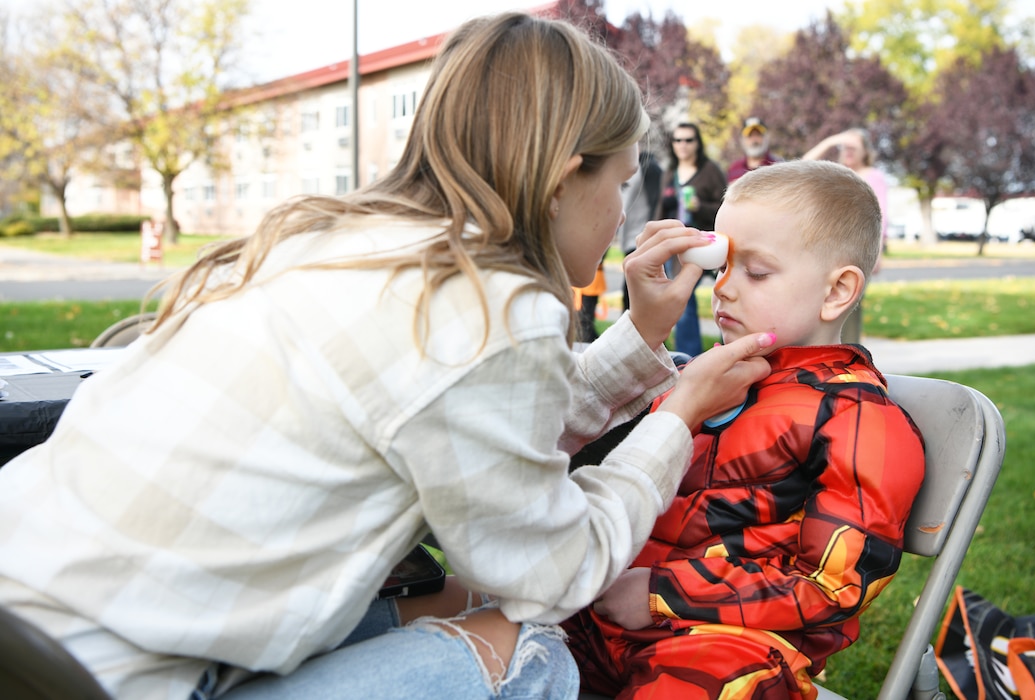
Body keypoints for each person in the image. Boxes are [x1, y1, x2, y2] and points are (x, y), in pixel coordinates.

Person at [0, 13, 776, 700]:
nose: (621, 216)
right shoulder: (492, 307)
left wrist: (642, 334)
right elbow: (556, 571)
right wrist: (677, 415)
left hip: (34, 616)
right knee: (534, 650)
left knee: (463, 599)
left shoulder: (342, 241)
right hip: (114, 679)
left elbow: (479, 419)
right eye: (621, 178)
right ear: (564, 177)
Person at [562, 160, 926, 699]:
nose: (724, 290)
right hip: (607, 615)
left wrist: (663, 594)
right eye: (722, 267)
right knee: (486, 624)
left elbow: (834, 582)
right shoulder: (706, 377)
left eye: (755, 273)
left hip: (729, 641)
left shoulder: (855, 416)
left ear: (837, 292)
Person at [803, 127, 889, 343]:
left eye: (853, 147)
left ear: (865, 151)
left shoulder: (873, 176)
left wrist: (877, 251)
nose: (848, 151)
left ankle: (849, 358)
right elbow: (802, 166)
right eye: (844, 147)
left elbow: (882, 214)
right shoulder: (836, 174)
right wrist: (831, 141)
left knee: (846, 306)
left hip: (858, 248)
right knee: (823, 303)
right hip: (829, 248)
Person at [654, 123, 728, 357]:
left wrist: (701, 207)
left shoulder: (710, 171)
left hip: (708, 244)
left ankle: (728, 350)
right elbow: (660, 209)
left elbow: (725, 208)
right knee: (683, 303)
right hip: (678, 247)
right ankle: (690, 358)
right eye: (677, 140)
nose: (682, 145)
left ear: (698, 143)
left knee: (726, 295)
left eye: (688, 140)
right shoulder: (669, 174)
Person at [616, 150, 663, 311]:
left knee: (633, 289)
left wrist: (651, 234)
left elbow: (656, 203)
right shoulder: (628, 164)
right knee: (629, 287)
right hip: (628, 235)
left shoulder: (649, 167)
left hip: (641, 236)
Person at [726, 116, 779, 183]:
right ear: (742, 140)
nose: (754, 140)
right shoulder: (733, 170)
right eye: (750, 135)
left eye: (758, 135)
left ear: (766, 137)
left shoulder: (778, 167)